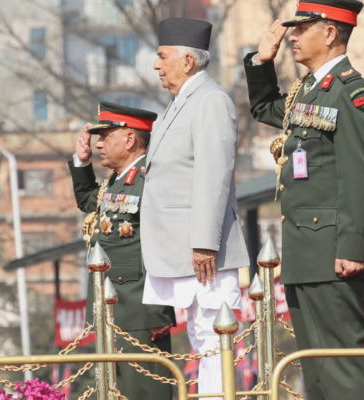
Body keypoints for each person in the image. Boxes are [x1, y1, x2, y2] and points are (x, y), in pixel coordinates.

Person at [243, 1, 364, 399]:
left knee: (343, 369)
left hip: (335, 253)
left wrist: (353, 246)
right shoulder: (308, 89)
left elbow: (361, 174)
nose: (293, 37)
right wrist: (260, 62)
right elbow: (266, 108)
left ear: (330, 33)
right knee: (317, 373)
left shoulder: (351, 92)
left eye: (302, 29)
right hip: (305, 250)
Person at [140, 17, 250, 397]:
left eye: (162, 56)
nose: (157, 65)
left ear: (187, 61)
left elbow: (213, 174)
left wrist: (205, 241)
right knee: (200, 334)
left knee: (213, 334)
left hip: (204, 250)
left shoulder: (210, 100)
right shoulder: (180, 102)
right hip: (180, 247)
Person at [69, 102, 175, 400]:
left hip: (140, 311)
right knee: (114, 390)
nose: (98, 143)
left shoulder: (147, 179)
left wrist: (158, 310)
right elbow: (92, 204)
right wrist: (81, 162)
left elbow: (158, 244)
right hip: (112, 308)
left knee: (145, 391)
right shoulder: (116, 181)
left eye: (106, 137)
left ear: (129, 140)